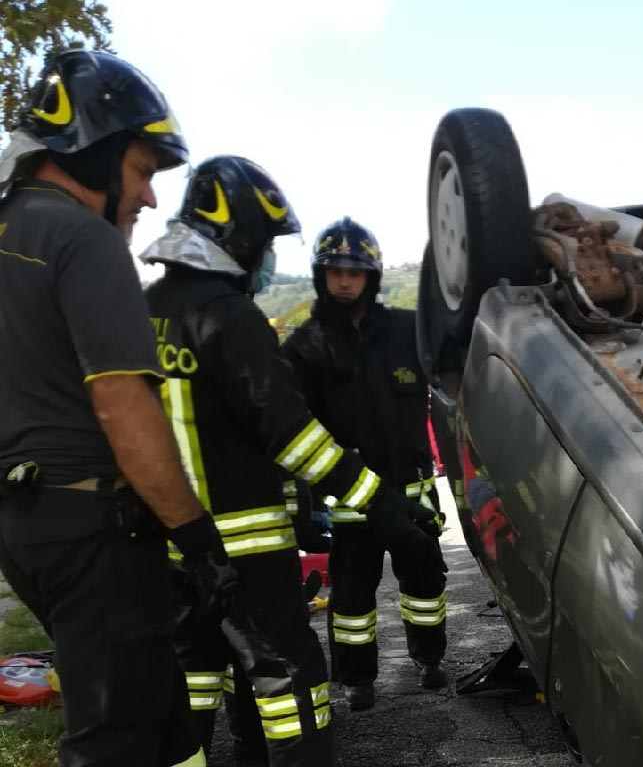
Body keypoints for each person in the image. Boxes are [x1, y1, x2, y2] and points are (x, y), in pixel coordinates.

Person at [140, 157, 444, 764]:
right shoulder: (229, 316)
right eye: (267, 243)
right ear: (242, 238)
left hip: (172, 546)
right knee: (291, 681)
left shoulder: (143, 310)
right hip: (246, 550)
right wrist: (379, 503)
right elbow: (291, 438)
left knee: (190, 683)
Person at [0, 50, 235, 767]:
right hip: (91, 527)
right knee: (117, 740)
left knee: (165, 721)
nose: (151, 198)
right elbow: (122, 401)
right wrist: (195, 537)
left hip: (25, 528)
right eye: (142, 172)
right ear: (96, 154)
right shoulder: (82, 239)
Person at [283, 217, 448, 712]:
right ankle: (357, 681)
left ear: (371, 276)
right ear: (320, 275)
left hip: (414, 493)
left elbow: (450, 391)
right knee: (352, 600)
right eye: (334, 269)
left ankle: (430, 660)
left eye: (355, 270)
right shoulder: (304, 347)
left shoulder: (407, 331)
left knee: (425, 587)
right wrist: (307, 509)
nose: (345, 279)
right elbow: (295, 430)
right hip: (350, 502)